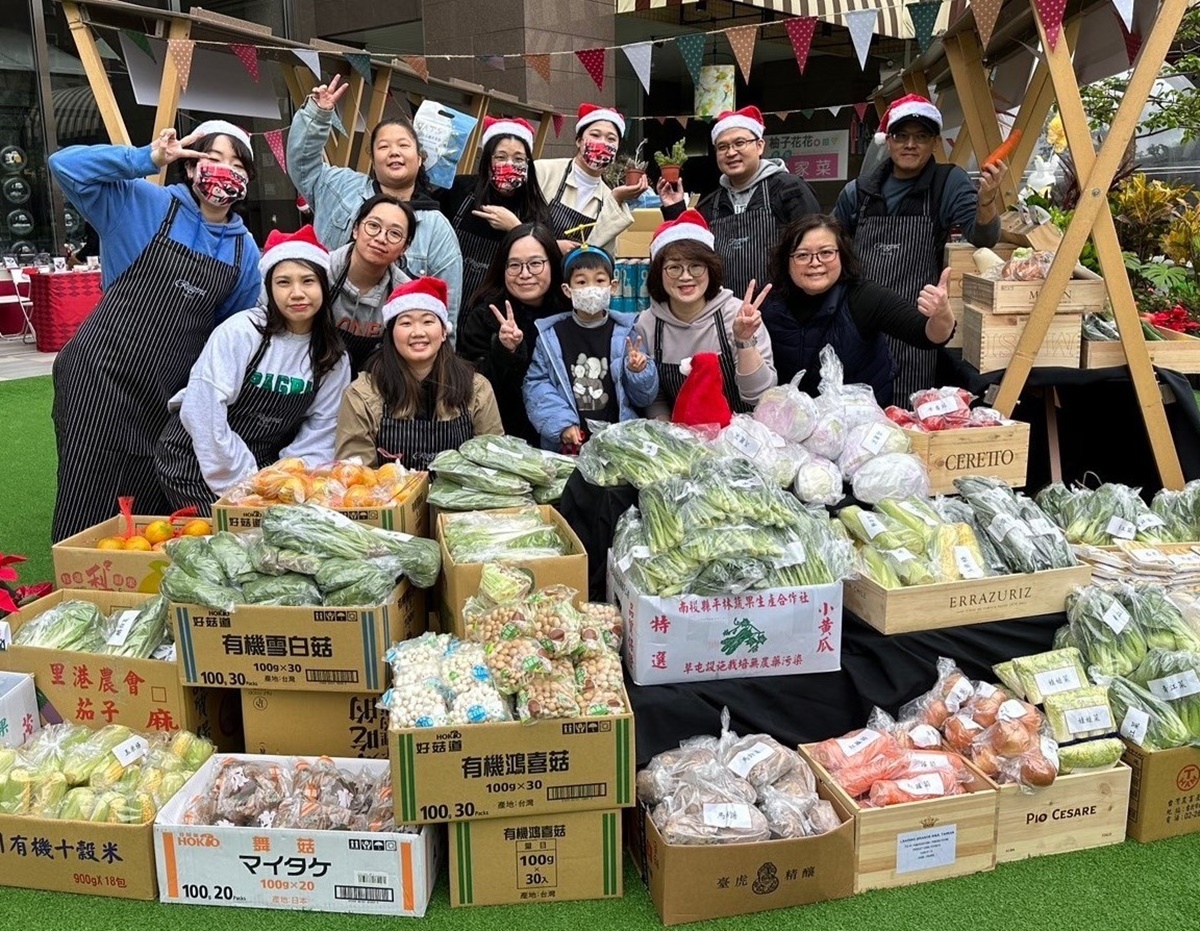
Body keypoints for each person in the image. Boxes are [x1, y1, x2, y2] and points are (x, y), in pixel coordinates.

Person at [47, 121, 262, 541]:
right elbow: (64, 166)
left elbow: (233, 331)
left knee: (148, 496)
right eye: (213, 159)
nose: (224, 171)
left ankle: (134, 588)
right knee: (87, 481)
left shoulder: (244, 249)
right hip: (99, 374)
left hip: (164, 391)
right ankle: (77, 580)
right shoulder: (142, 202)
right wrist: (146, 159)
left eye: (237, 164)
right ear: (189, 165)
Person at [155, 226, 350, 513]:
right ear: (269, 288)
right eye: (283, 282)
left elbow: (320, 432)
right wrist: (241, 482)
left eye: (308, 281)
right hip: (196, 459)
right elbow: (202, 410)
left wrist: (282, 479)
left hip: (265, 470)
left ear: (324, 286)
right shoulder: (242, 332)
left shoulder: (332, 356)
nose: (297, 293)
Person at [832, 93, 1004, 400]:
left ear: (935, 142)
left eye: (921, 136)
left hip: (916, 326)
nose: (910, 144)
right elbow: (829, 247)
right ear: (889, 140)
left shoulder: (947, 181)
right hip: (859, 325)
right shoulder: (858, 192)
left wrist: (987, 201)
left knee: (907, 416)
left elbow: (983, 237)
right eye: (901, 136)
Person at [287, 75, 464, 327]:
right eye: (383, 146)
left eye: (403, 145)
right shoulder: (341, 187)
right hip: (319, 328)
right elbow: (303, 167)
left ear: (420, 157)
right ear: (373, 158)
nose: (393, 151)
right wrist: (318, 116)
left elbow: (447, 309)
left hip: (390, 346)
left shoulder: (437, 229)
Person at [761, 215, 955, 407]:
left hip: (861, 423)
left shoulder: (864, 297)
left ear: (842, 255)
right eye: (802, 255)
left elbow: (926, 335)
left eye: (826, 253)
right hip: (793, 424)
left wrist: (942, 315)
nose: (815, 262)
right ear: (786, 261)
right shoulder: (769, 303)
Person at [336, 277, 502, 468]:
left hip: (462, 496)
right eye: (406, 323)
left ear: (443, 332)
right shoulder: (363, 394)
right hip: (388, 496)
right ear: (391, 335)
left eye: (428, 321)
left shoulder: (476, 389)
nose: (418, 332)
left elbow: (493, 465)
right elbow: (356, 473)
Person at [657, 106, 820, 298]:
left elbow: (814, 248)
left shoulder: (789, 190)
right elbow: (690, 252)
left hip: (784, 312)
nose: (731, 152)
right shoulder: (712, 204)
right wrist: (675, 208)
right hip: (725, 313)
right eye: (723, 147)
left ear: (760, 146)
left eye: (739, 143)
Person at [635, 210, 776, 418]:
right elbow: (656, 397)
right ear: (658, 274)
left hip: (740, 436)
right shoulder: (647, 324)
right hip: (681, 441)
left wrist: (744, 341)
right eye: (674, 268)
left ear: (710, 270)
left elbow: (759, 395)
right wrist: (667, 435)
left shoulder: (737, 314)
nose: (685, 277)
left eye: (696, 267)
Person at [523, 246, 659, 451]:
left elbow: (644, 398)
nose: (591, 288)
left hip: (618, 444)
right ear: (567, 290)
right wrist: (562, 425)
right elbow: (537, 385)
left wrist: (638, 371)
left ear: (613, 287)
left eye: (599, 280)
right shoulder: (551, 336)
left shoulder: (628, 332)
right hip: (569, 446)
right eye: (581, 282)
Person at [456, 223, 566, 445]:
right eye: (514, 265)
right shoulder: (485, 315)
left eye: (535, 264)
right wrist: (506, 350)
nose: (525, 274)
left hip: (565, 434)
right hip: (504, 437)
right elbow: (471, 386)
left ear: (553, 264)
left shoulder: (570, 310)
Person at [435, 117, 552, 318]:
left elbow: (543, 267)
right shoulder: (459, 190)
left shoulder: (536, 211)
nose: (509, 164)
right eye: (501, 157)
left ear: (528, 165)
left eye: (518, 159)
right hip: (446, 302)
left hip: (496, 316)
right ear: (487, 161)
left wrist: (516, 229)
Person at [534, 103, 645, 252]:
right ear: (579, 141)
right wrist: (552, 246)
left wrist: (616, 199)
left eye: (611, 139)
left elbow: (600, 255)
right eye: (595, 135)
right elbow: (520, 226)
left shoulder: (608, 199)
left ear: (617, 148)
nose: (602, 143)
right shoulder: (543, 171)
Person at [328, 194, 415, 372]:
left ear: (404, 248)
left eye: (395, 234)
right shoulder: (320, 272)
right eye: (373, 226)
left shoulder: (406, 295)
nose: (381, 238)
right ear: (355, 229)